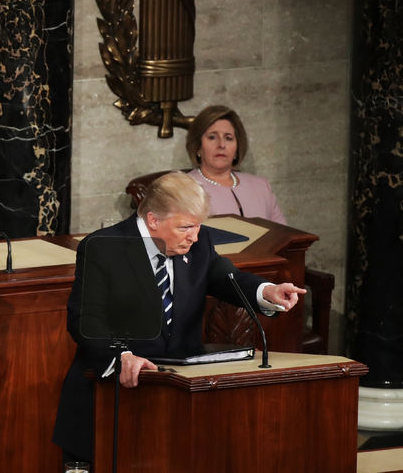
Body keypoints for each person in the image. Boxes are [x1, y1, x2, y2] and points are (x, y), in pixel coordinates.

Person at [52, 171, 305, 465]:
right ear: (153, 220)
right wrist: (120, 356)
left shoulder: (198, 242)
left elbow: (225, 278)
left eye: (198, 226)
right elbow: (85, 318)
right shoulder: (104, 247)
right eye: (186, 227)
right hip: (111, 401)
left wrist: (267, 290)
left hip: (176, 404)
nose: (195, 236)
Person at [185, 104, 286, 224]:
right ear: (198, 147)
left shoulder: (261, 187)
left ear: (237, 149)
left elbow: (284, 237)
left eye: (228, 138)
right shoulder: (183, 189)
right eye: (212, 137)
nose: (221, 144)